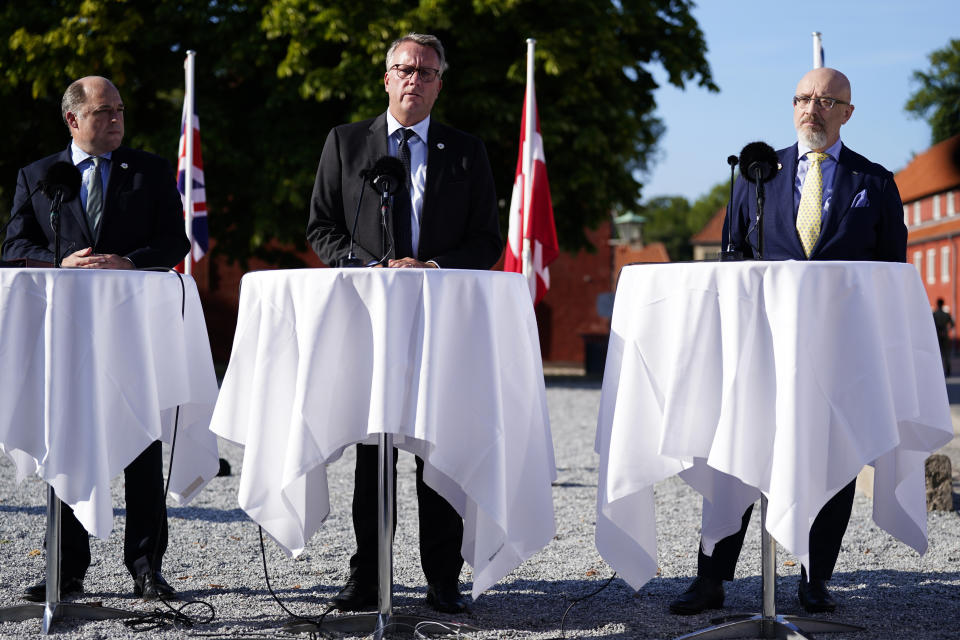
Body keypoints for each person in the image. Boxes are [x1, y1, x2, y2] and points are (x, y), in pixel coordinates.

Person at [669, 67, 907, 616]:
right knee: (737, 454)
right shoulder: (757, 175)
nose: (812, 109)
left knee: (833, 458)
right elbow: (731, 262)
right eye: (803, 98)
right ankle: (711, 578)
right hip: (759, 349)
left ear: (847, 112)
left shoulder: (875, 182)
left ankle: (814, 578)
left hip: (839, 356)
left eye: (826, 100)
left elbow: (892, 276)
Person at [306, 33, 502, 613]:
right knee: (375, 453)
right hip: (368, 320)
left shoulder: (466, 151)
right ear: (385, 78)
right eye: (403, 68)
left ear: (440, 83)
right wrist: (373, 268)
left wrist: (432, 268)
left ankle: (442, 579)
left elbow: (487, 239)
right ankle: (368, 576)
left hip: (442, 321)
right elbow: (322, 228)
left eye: (426, 70)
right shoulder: (345, 143)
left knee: (437, 449)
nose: (413, 78)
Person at [3, 76, 190, 601]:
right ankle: (67, 568)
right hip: (66, 341)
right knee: (67, 440)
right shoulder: (39, 176)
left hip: (134, 336)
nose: (116, 120)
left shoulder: (149, 171)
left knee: (143, 446)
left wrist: (127, 261)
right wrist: (58, 260)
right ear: (73, 120)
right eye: (104, 111)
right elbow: (15, 243)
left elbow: (174, 240)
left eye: (120, 111)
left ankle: (146, 567)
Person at [933, 298, 954, 375]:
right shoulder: (946, 314)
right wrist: (947, 330)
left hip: (937, 335)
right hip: (945, 335)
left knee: (938, 353)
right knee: (946, 353)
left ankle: (938, 370)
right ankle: (948, 370)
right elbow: (952, 324)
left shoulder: (935, 314)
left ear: (938, 304)